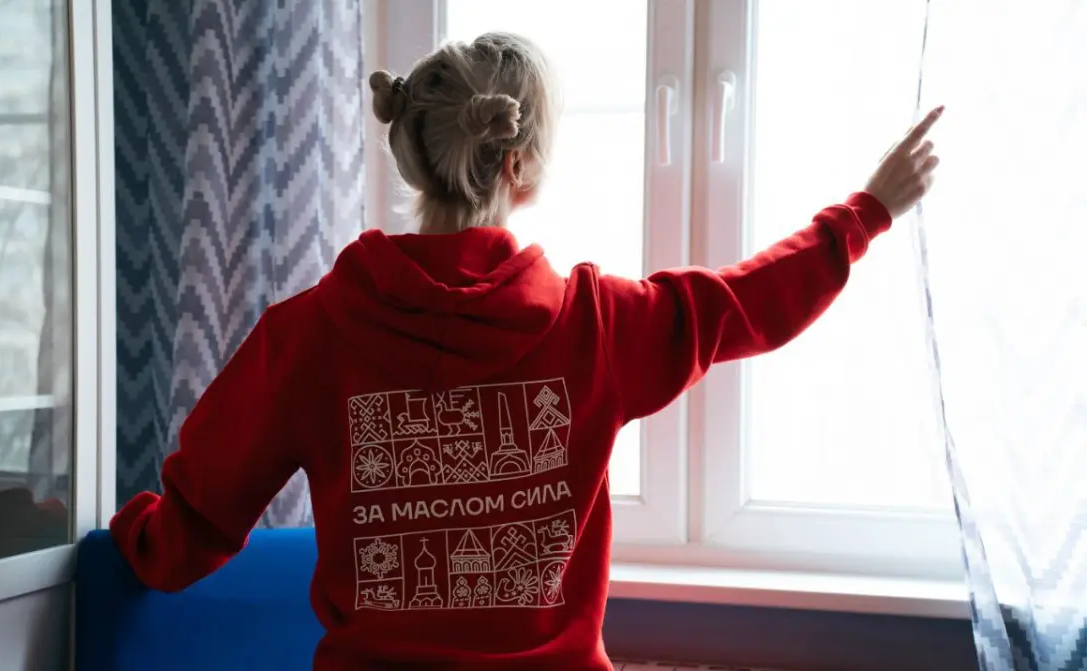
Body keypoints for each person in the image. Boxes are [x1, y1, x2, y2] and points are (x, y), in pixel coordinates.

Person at [110, 32, 943, 670]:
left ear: (413, 149)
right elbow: (746, 304)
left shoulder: (308, 334)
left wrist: (122, 540)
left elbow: (188, 529)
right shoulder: (595, 325)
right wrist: (865, 212)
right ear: (518, 164)